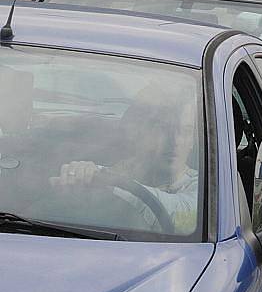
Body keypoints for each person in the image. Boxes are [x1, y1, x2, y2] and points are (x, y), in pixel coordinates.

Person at [50, 84, 199, 235]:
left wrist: (101, 177)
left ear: (193, 140)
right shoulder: (124, 169)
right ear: (144, 132)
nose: (175, 142)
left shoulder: (204, 188)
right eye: (165, 130)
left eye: (185, 131)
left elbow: (179, 214)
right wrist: (82, 174)